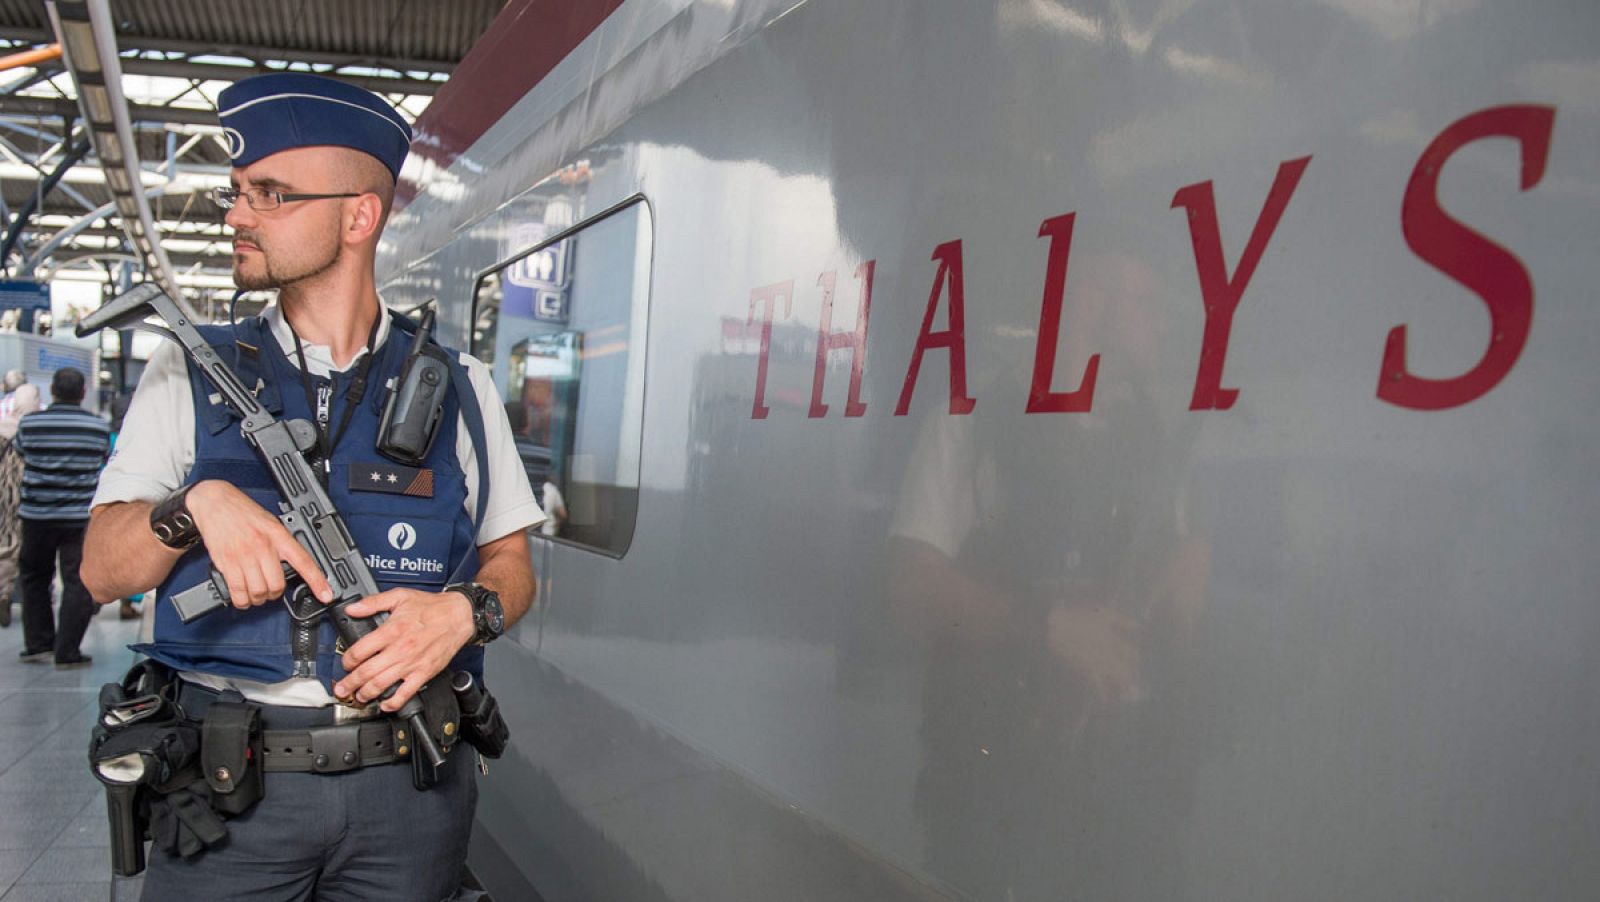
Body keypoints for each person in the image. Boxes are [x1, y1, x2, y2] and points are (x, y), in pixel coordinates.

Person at [80, 73, 543, 900]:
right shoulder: (183, 372)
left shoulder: (463, 385)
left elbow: (512, 563)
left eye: (270, 194)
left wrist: (463, 611)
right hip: (232, 791)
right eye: (238, 192)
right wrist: (192, 510)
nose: (237, 215)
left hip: (409, 793)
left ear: (359, 215)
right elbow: (100, 572)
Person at [15, 367, 110, 664]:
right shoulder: (98, 427)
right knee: (77, 579)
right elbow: (103, 460)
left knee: (34, 578)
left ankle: (39, 644)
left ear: (53, 391)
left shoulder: (30, 424)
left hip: (36, 515)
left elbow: (21, 453)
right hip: (78, 518)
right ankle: (67, 651)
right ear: (83, 393)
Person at [0, 373, 40, 628]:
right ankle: (6, 593)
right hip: (26, 498)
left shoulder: (3, 425)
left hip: (5, 494)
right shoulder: (35, 428)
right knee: (17, 545)